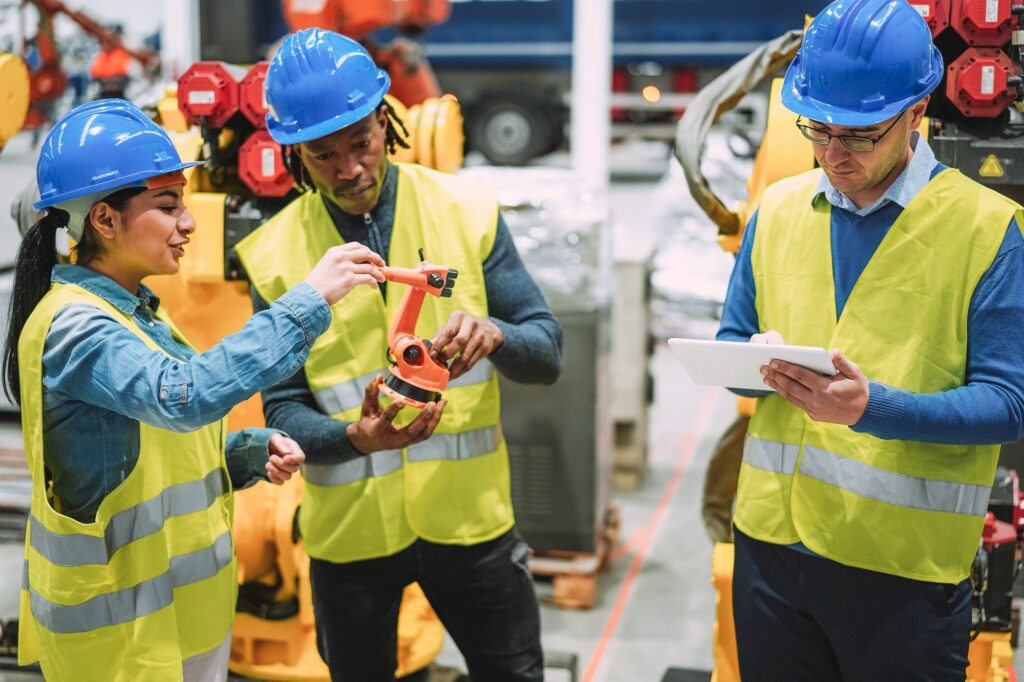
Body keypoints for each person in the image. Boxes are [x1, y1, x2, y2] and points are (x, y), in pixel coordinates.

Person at [3, 99, 386, 681]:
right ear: (104, 220)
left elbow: (147, 460)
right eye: (167, 205)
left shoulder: (140, 314)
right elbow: (182, 397)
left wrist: (242, 455)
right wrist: (311, 299)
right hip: (119, 643)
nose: (188, 222)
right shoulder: (76, 327)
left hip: (180, 624)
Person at [234, 29, 563, 682]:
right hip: (350, 539)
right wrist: (356, 437)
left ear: (387, 120)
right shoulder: (272, 259)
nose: (349, 169)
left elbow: (547, 352)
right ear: (293, 154)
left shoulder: (465, 209)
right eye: (323, 156)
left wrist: (496, 334)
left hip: (471, 527)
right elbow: (285, 409)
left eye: (361, 143)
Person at [715, 1, 1024, 680]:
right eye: (817, 130)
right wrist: (747, 364)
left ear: (918, 112)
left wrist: (870, 408)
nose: (833, 155)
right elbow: (732, 337)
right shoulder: (778, 210)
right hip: (770, 551)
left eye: (858, 136)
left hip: (900, 574)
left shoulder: (990, 230)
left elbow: (1009, 403)